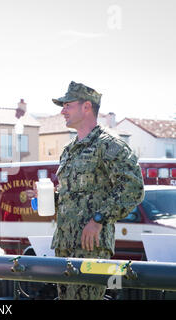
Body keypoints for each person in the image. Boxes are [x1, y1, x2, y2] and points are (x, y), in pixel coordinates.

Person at [28, 81, 144, 300]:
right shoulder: (69, 149)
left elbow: (133, 188)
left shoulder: (109, 145)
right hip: (64, 244)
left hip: (91, 246)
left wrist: (98, 219)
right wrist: (47, 197)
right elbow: (74, 195)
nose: (62, 111)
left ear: (86, 107)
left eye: (67, 105)